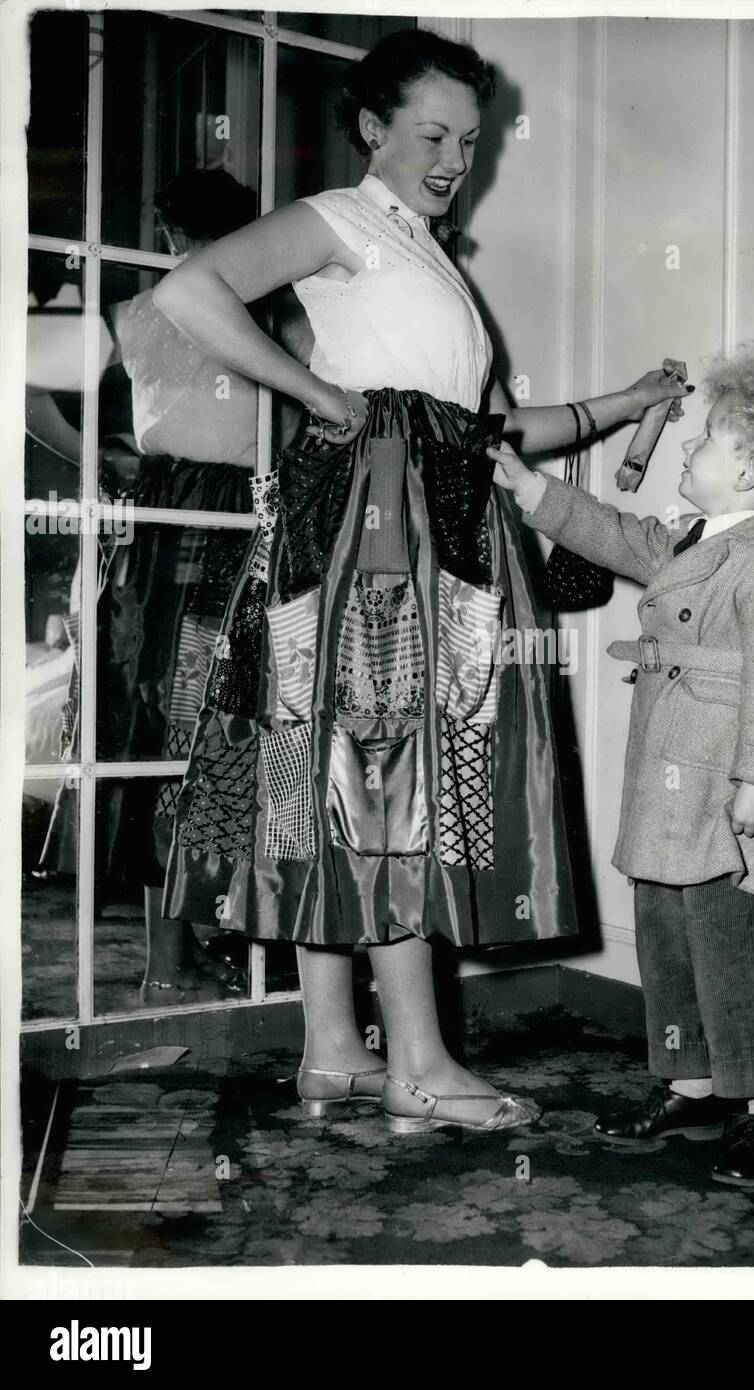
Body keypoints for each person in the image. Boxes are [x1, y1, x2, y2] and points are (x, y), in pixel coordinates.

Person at [153, 29, 688, 1132]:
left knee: (336, 760)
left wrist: (621, 404)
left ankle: (333, 1051)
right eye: (432, 134)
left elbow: (481, 426)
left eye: (468, 140)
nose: (454, 158)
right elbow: (192, 292)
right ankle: (418, 1065)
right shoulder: (342, 220)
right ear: (373, 128)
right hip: (371, 526)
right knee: (385, 763)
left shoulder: (420, 250)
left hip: (399, 508)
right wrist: (314, 392)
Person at [491, 341, 754, 1180]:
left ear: (753, 470)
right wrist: (533, 490)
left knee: (740, 944)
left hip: (732, 793)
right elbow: (619, 535)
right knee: (666, 935)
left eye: (705, 440)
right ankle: (690, 1082)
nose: (687, 448)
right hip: (668, 778)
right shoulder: (698, 540)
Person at [33, 170, 304, 997]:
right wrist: (96, 460)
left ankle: (194, 951)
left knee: (195, 722)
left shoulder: (159, 311)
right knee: (190, 723)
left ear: (168, 234)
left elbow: (30, 375)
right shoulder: (255, 311)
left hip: (216, 512)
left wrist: (91, 458)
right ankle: (184, 955)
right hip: (201, 514)